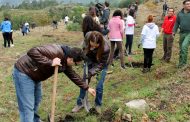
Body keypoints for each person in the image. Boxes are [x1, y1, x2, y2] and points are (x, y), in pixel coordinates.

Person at [12, 44, 96, 122]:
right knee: (27, 107)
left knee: (36, 100)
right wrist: (50, 62)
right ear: (70, 59)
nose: (75, 66)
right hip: (24, 73)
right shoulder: (55, 51)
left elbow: (73, 75)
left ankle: (34, 120)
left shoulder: (65, 61)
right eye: (76, 64)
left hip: (35, 76)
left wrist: (87, 88)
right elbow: (32, 51)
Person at [72, 31, 110, 114]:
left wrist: (91, 73)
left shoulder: (106, 48)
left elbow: (101, 64)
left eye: (95, 45)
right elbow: (83, 50)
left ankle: (98, 104)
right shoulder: (88, 37)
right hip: (89, 61)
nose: (93, 46)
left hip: (101, 65)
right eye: (91, 44)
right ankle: (80, 103)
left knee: (99, 86)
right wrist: (85, 57)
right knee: (84, 83)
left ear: (100, 43)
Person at [173, 0, 190, 68]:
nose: (189, 5)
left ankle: (184, 64)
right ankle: (180, 63)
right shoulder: (180, 14)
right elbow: (177, 23)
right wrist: (174, 31)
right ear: (184, 5)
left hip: (189, 33)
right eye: (187, 4)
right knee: (181, 49)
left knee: (184, 47)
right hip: (182, 33)